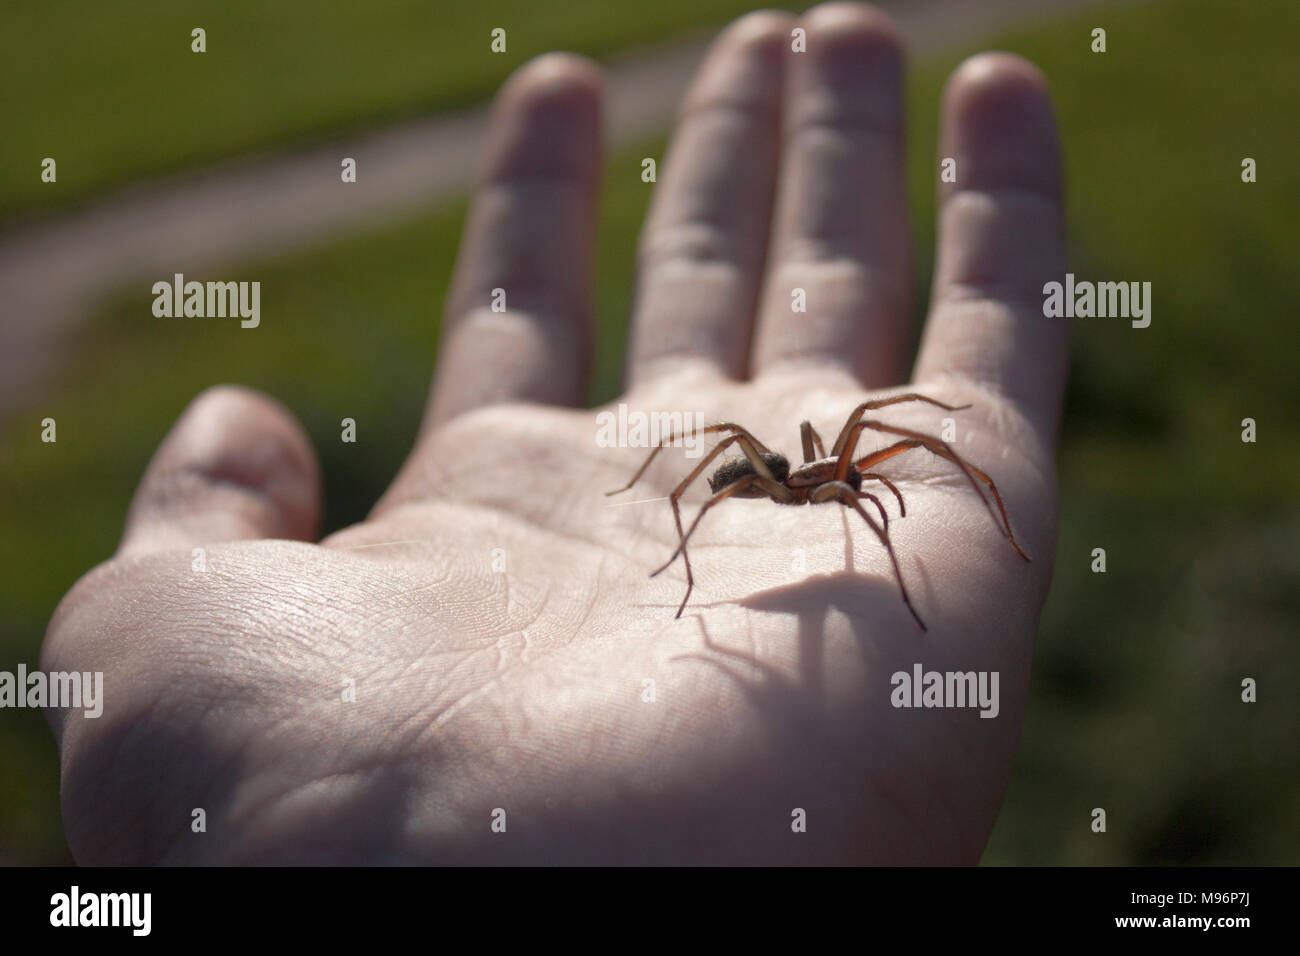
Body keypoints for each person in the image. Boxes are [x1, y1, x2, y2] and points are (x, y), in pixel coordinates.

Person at [43, 2, 1067, 864]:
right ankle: (675, 544)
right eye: (859, 488)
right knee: (738, 439)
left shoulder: (849, 473)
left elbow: (878, 462)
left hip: (809, 499)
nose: (867, 490)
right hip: (774, 487)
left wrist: (922, 435)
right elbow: (748, 451)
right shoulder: (784, 477)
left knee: (885, 429)